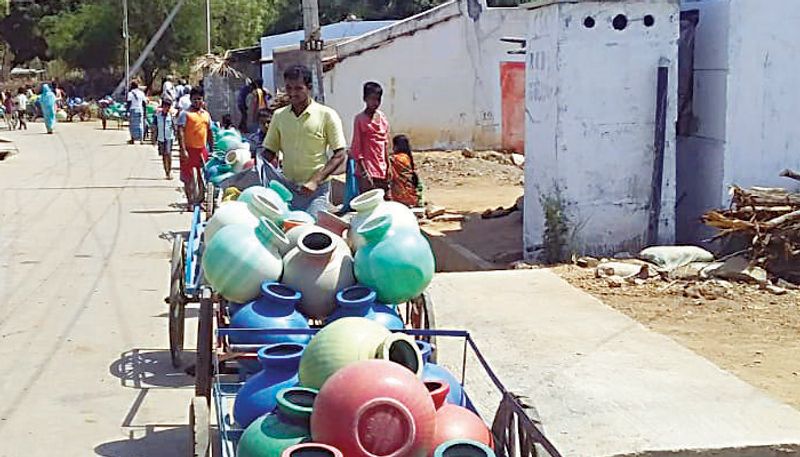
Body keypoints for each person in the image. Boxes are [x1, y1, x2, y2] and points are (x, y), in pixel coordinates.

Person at [261, 65, 347, 218]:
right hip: (285, 189)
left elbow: (340, 154)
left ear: (309, 88)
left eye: (298, 88)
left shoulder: (327, 115)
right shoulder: (279, 116)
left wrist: (315, 180)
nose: (293, 93)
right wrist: (257, 169)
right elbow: (269, 151)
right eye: (289, 88)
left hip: (316, 191)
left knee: (309, 231)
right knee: (286, 231)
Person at [351, 81, 392, 196]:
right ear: (365, 99)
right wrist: (364, 173)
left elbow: (385, 145)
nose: (375, 102)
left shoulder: (382, 118)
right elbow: (356, 147)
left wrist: (389, 167)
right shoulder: (360, 119)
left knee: (386, 201)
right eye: (372, 99)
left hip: (382, 170)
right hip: (367, 171)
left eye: (378, 99)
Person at [177, 87, 212, 205]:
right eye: (195, 99)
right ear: (191, 99)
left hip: (202, 150)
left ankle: (201, 200)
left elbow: (210, 132)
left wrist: (212, 149)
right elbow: (180, 132)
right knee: (188, 178)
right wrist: (183, 150)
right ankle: (190, 202)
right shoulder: (185, 114)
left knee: (203, 176)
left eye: (199, 99)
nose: (197, 101)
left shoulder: (206, 115)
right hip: (188, 149)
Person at [389, 135, 424, 207]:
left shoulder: (396, 159)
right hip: (412, 195)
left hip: (400, 196)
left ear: (396, 146)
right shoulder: (407, 158)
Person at [155, 97, 175, 180]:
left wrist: (176, 134)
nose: (167, 109)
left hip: (169, 137)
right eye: (165, 107)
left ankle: (169, 170)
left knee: (168, 153)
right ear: (162, 107)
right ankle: (166, 171)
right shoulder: (157, 115)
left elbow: (174, 126)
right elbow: (154, 126)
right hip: (161, 138)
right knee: (163, 155)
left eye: (168, 107)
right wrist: (154, 138)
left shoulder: (171, 116)